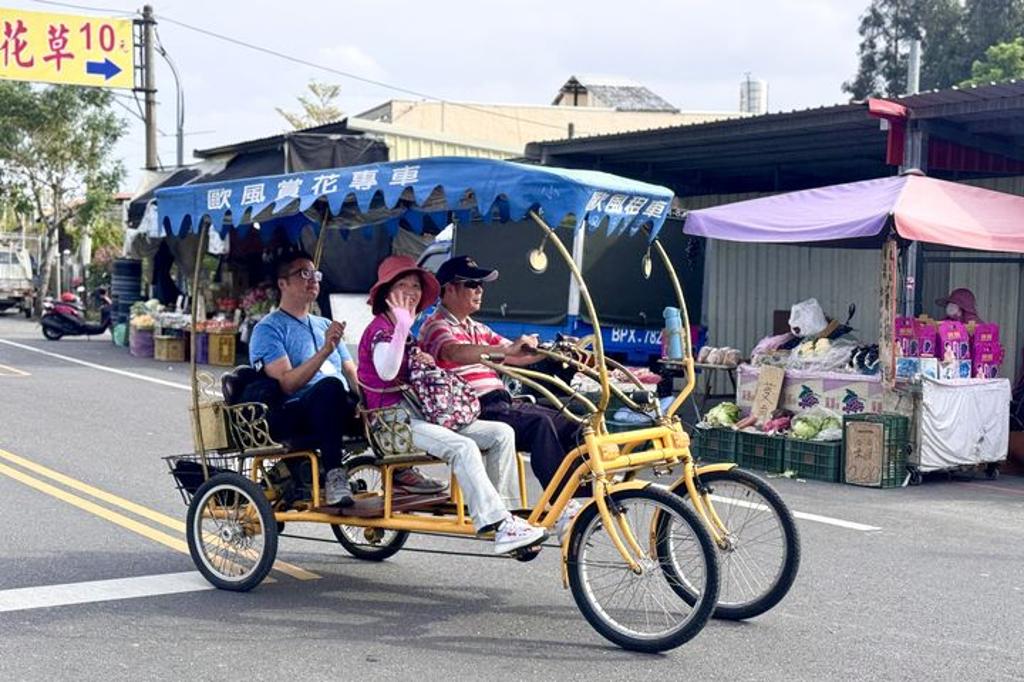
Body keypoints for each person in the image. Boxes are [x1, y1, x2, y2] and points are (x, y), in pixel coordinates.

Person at [358, 255, 546, 554]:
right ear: (386, 293)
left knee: (501, 433)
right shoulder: (381, 328)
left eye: (416, 286)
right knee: (463, 447)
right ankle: (496, 523)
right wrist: (403, 327)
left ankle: (508, 514)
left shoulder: (403, 330)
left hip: (421, 413)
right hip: (393, 422)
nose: (411, 291)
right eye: (402, 285)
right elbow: (387, 371)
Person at [418, 256, 585, 535]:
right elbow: (453, 353)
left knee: (571, 422)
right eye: (472, 284)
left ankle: (581, 497)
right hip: (472, 407)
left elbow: (515, 354)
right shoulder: (436, 325)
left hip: (501, 401)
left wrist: (551, 351)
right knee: (539, 426)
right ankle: (561, 506)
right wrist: (505, 352)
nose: (479, 290)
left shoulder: (475, 327)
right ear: (448, 289)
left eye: (481, 285)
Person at [248, 250, 364, 507]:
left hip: (337, 405)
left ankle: (400, 470)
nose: (312, 279)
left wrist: (367, 400)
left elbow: (350, 371)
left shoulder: (324, 325)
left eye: (315, 274)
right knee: (330, 387)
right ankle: (334, 474)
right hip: (294, 411)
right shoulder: (268, 329)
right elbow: (287, 383)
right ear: (283, 283)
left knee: (375, 391)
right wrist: (324, 352)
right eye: (303, 273)